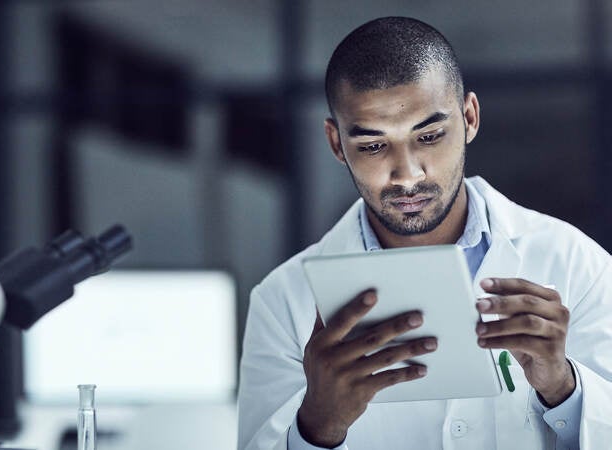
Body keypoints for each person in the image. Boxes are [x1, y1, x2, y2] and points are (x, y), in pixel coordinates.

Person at [237, 17, 612, 450]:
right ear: (337, 144)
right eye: (374, 145)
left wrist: (565, 388)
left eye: (430, 135)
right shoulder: (282, 301)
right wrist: (317, 426)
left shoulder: (576, 265)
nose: (408, 174)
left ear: (469, 118)